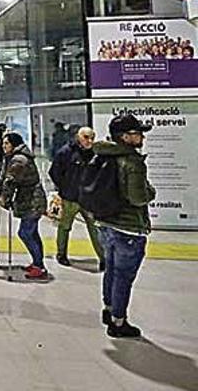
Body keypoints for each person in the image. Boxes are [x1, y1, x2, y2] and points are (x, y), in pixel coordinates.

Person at [92, 114, 155, 338]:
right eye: (138, 133)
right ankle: (118, 322)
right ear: (125, 137)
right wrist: (151, 192)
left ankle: (108, 310)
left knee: (111, 269)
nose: (142, 138)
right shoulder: (132, 162)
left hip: (105, 222)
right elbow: (138, 198)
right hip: (128, 228)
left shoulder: (102, 154)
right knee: (123, 276)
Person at [49, 126, 104, 269]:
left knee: (95, 229)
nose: (89, 141)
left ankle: (104, 258)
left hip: (89, 200)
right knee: (64, 227)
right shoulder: (66, 152)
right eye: (86, 137)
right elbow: (54, 172)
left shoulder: (96, 153)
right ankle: (61, 254)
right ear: (78, 137)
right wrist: (64, 188)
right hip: (70, 198)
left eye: (92, 137)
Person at [0, 132, 49, 280]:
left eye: (6, 143)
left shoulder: (19, 160)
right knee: (32, 233)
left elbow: (11, 181)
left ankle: (39, 266)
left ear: (14, 144)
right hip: (31, 199)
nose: (4, 146)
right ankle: (38, 263)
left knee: (25, 233)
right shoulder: (16, 157)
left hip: (32, 201)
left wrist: (4, 199)